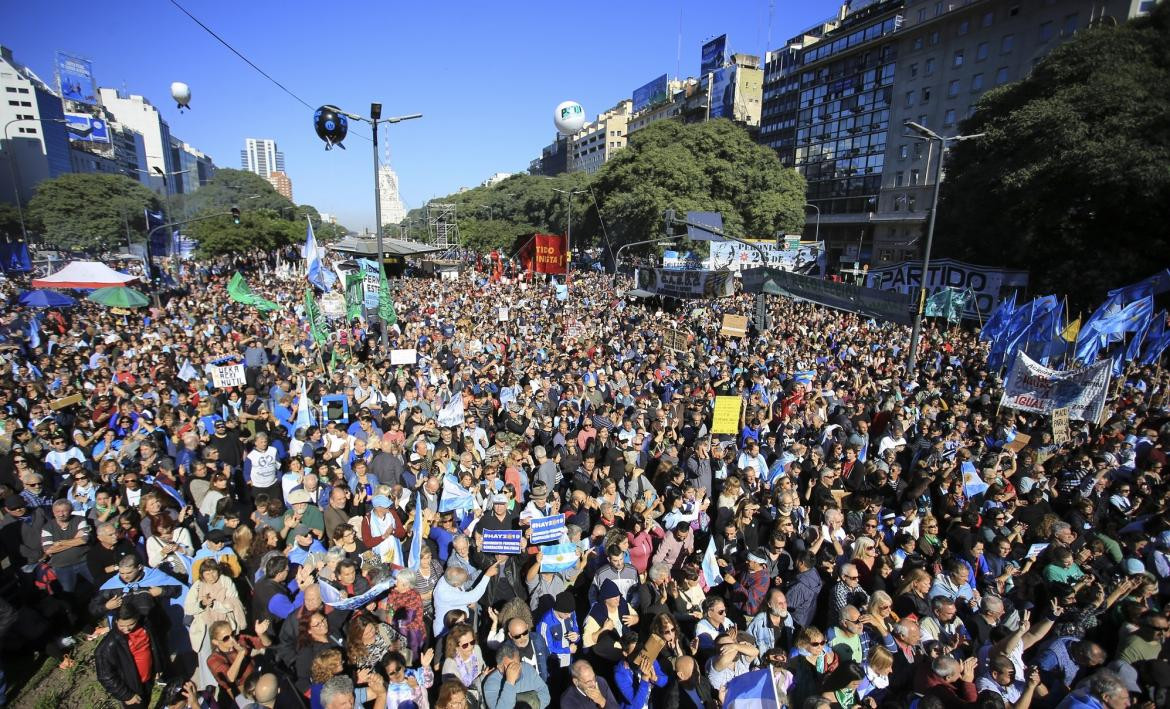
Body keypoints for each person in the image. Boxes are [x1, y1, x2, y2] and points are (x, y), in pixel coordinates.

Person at [95, 605, 166, 708]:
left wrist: (158, 668)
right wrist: (126, 695)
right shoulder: (108, 646)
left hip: (147, 681)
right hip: (132, 689)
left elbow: (155, 648)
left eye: (131, 624)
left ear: (137, 618)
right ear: (116, 622)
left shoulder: (146, 628)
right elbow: (105, 676)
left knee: (146, 702)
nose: (127, 629)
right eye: (122, 626)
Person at [482, 644, 551, 709]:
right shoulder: (491, 683)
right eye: (510, 666)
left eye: (517, 663)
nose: (516, 668)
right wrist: (510, 682)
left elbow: (545, 695)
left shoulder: (527, 668)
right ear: (500, 668)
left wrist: (531, 705)